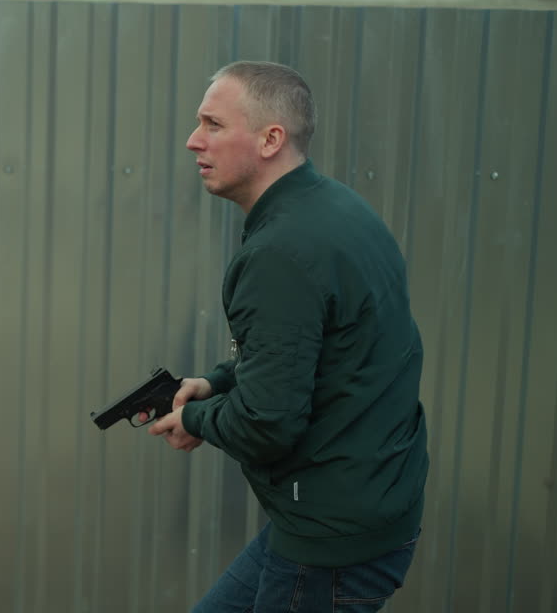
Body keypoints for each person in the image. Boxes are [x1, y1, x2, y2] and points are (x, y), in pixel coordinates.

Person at [145, 61, 430, 612]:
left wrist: (196, 419)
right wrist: (214, 383)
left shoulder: (281, 253)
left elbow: (267, 424)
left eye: (212, 124)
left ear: (270, 138)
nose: (192, 140)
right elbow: (313, 351)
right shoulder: (336, 209)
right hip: (357, 505)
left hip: (329, 544)